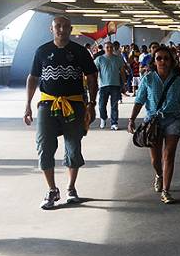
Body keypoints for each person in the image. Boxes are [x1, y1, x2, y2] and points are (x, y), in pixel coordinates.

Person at [24, 16, 98, 210]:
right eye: (58, 26)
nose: (62, 30)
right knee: (44, 146)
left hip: (74, 105)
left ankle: (71, 188)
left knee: (73, 146)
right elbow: (33, 77)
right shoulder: (42, 51)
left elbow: (92, 77)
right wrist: (27, 105)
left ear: (71, 29)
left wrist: (92, 103)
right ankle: (51, 189)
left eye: (66, 27)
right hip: (48, 105)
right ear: (52, 29)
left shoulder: (80, 52)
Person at [128, 46, 180, 204]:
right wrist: (131, 119)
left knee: (169, 155)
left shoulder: (177, 80)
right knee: (155, 159)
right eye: (159, 58)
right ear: (154, 61)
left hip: (174, 119)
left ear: (171, 61)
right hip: (153, 121)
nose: (163, 61)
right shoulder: (148, 79)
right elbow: (139, 100)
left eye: (166, 58)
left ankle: (166, 191)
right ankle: (159, 175)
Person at [94, 41, 126, 130]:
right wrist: (95, 84)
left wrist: (124, 83)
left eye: (111, 47)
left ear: (113, 48)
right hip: (103, 86)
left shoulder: (118, 59)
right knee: (101, 105)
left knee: (114, 106)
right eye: (107, 47)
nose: (109, 49)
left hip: (115, 85)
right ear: (104, 48)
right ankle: (103, 118)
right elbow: (95, 72)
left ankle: (114, 123)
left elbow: (122, 71)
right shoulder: (99, 59)